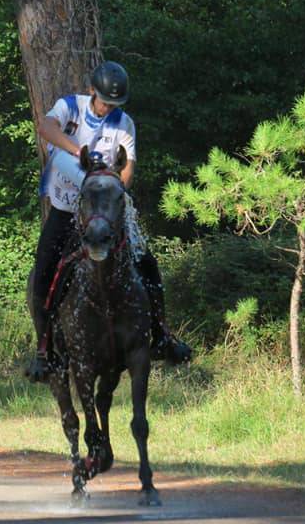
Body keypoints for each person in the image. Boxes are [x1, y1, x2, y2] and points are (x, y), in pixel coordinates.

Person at [25, 60, 192, 383]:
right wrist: (79, 152)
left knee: (146, 263)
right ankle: (43, 349)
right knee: (44, 268)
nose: (109, 108)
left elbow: (128, 166)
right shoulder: (70, 107)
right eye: (105, 101)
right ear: (92, 92)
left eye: (115, 103)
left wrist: (118, 186)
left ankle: (162, 335)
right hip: (67, 209)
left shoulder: (124, 123)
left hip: (107, 208)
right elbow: (46, 129)